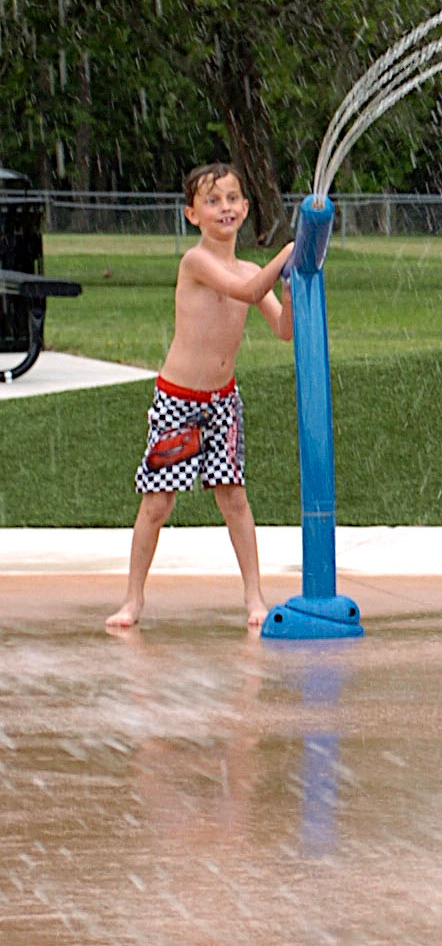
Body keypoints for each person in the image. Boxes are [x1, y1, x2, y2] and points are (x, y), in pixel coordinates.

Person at [106, 163, 293, 629]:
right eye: (212, 201)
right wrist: (289, 252)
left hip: (222, 402)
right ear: (193, 215)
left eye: (232, 199)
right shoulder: (196, 263)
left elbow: (284, 329)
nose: (224, 208)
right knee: (157, 503)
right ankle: (133, 599)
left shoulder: (252, 267)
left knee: (234, 499)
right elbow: (249, 291)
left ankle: (254, 597)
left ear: (246, 209)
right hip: (178, 399)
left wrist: (292, 286)